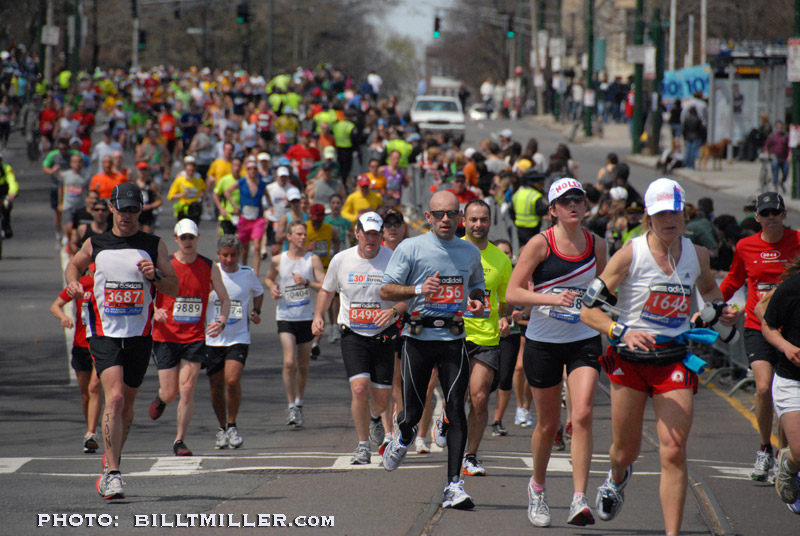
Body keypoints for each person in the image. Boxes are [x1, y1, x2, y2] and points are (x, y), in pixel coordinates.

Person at [580, 178, 737, 535]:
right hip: (630, 362)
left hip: (673, 361)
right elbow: (588, 311)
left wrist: (720, 311)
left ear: (684, 214)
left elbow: (711, 293)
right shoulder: (629, 254)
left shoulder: (697, 255)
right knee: (625, 450)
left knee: (674, 449)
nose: (670, 219)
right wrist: (621, 330)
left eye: (675, 212)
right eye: (661, 213)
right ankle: (617, 476)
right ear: (648, 216)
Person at [64, 182, 179, 500]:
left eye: (133, 209)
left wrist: (155, 274)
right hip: (103, 333)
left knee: (127, 405)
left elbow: (173, 288)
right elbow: (74, 264)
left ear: (139, 211)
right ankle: (112, 474)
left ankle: (111, 459)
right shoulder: (96, 243)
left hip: (139, 335)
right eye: (122, 208)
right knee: (113, 398)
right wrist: (74, 284)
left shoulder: (153, 245)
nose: (127, 215)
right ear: (111, 208)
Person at [505, 178, 607, 527]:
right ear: (552, 211)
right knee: (548, 425)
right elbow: (513, 293)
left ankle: (579, 498)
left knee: (583, 414)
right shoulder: (539, 244)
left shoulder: (598, 245)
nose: (573, 206)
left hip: (583, 339)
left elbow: (608, 293)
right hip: (543, 341)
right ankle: (538, 487)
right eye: (565, 202)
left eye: (578, 200)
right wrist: (552, 298)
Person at [380, 190, 486, 510]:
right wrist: (417, 289)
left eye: (451, 214)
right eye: (439, 214)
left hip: (453, 339)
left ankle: (454, 485)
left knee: (456, 408)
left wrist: (477, 300)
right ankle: (404, 435)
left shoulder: (468, 252)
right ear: (428, 217)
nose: (445, 220)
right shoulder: (411, 247)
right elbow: (385, 289)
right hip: (417, 339)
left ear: (460, 218)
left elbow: (477, 285)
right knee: (413, 412)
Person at [312, 212, 406, 464]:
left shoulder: (394, 260)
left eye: (376, 234)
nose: (371, 239)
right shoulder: (341, 260)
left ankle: (375, 417)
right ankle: (363, 445)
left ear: (382, 234)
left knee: (382, 400)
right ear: (357, 233)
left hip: (384, 334)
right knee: (359, 387)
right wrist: (318, 315)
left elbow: (407, 297)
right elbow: (327, 291)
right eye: (367, 233)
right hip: (353, 333)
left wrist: (393, 311)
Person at [719, 192, 800, 481]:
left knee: (784, 393)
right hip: (757, 324)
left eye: (775, 212)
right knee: (764, 387)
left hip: (789, 330)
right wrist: (711, 305)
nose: (771, 218)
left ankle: (785, 453)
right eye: (765, 213)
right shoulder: (745, 246)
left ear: (783, 214)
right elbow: (732, 280)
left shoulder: (798, 241)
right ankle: (765, 448)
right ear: (757, 218)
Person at [149, 219, 230, 456]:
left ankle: (179, 441)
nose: (187, 242)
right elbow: (147, 295)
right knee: (171, 391)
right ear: (175, 239)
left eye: (191, 238)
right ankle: (162, 398)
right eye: (183, 237)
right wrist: (155, 310)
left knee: (187, 388)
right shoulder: (165, 265)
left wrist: (221, 321)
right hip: (165, 336)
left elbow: (224, 299)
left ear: (197, 239)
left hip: (194, 337)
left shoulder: (208, 266)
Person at [456, 200, 512, 477]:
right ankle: (445, 419)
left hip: (486, 337)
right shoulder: (451, 252)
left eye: (483, 219)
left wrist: (504, 316)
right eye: (473, 219)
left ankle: (470, 455)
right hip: (453, 333)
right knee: (457, 396)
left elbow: (506, 298)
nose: (478, 225)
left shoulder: (501, 260)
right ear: (463, 221)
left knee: (478, 397)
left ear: (490, 222)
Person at [204, 234, 264, 449]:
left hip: (238, 337)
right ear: (218, 255)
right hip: (212, 338)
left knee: (231, 380)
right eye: (225, 255)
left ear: (239, 254)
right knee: (216, 385)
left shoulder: (247, 274)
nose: (229, 260)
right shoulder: (210, 273)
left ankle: (232, 424)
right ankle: (222, 428)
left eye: (233, 255)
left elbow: (259, 292)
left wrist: (256, 311)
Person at [264, 221, 326, 427]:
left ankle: (299, 401)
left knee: (304, 364)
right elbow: (268, 278)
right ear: (289, 237)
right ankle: (291, 406)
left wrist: (307, 283)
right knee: (289, 362)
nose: (302, 237)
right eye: (298, 234)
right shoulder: (277, 260)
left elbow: (325, 287)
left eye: (304, 234)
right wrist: (272, 287)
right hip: (286, 317)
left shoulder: (312, 259)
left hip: (307, 317)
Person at [760, 256, 800, 510]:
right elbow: (768, 324)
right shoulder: (792, 287)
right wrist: (786, 346)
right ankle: (788, 462)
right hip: (793, 380)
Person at [49, 264, 101, 453]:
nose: (96, 275)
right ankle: (91, 432)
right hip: (81, 345)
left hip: (102, 345)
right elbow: (55, 306)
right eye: (94, 271)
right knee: (85, 395)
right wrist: (63, 317)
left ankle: (91, 433)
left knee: (94, 387)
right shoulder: (81, 285)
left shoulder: (110, 288)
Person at [226, 156, 268, 276]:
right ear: (247, 169)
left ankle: (255, 273)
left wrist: (270, 207)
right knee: (244, 248)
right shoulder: (242, 181)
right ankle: (244, 269)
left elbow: (268, 196)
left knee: (256, 246)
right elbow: (227, 192)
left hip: (258, 218)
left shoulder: (262, 184)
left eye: (255, 168)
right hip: (244, 219)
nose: (253, 171)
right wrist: (234, 205)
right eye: (250, 169)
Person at [512, 171, 549, 246]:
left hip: (520, 227)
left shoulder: (518, 193)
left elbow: (511, 211)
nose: (542, 186)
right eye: (541, 184)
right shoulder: (536, 195)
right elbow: (543, 210)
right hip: (533, 228)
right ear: (535, 184)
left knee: (522, 249)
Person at [167, 155, 205, 225]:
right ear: (185, 170)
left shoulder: (199, 180)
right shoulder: (179, 180)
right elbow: (170, 196)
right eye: (189, 171)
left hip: (195, 208)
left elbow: (204, 191)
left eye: (192, 171)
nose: (190, 173)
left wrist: (202, 195)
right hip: (183, 208)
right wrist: (182, 195)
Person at [765, 121, 790, 193]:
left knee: (785, 171)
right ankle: (775, 184)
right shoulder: (771, 136)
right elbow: (766, 146)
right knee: (775, 169)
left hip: (784, 157)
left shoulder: (785, 136)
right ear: (775, 128)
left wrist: (789, 155)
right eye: (778, 127)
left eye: (781, 127)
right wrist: (767, 153)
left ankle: (782, 182)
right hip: (774, 156)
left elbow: (789, 147)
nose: (780, 129)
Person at [0, 152, 19, 238]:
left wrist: (12, 193)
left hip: (3, 194)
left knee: (7, 205)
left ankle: (6, 224)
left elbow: (12, 182)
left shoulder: (6, 168)